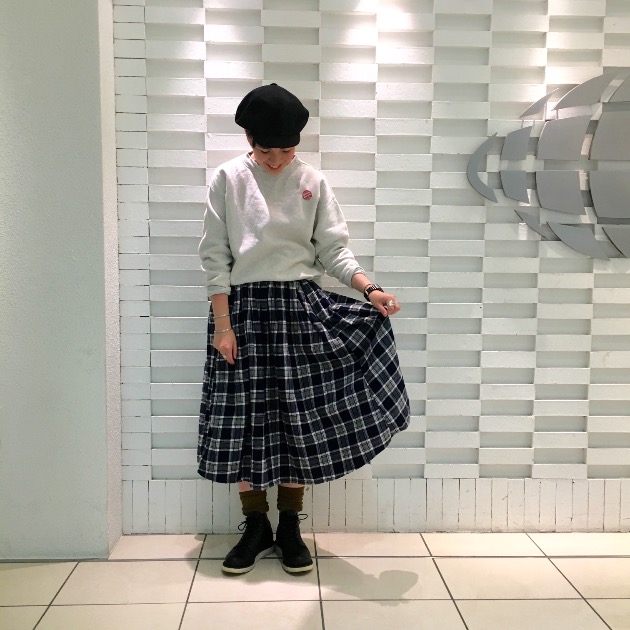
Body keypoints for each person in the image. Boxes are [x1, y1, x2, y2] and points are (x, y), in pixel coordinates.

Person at [198, 83, 410, 575]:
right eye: (265, 151)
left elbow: (332, 250)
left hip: (300, 306)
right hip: (242, 312)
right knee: (245, 418)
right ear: (249, 139)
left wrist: (369, 289)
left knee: (300, 417)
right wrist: (223, 325)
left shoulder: (312, 180)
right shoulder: (228, 178)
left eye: (287, 150)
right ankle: (256, 525)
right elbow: (215, 256)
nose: (276, 161)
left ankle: (290, 524)